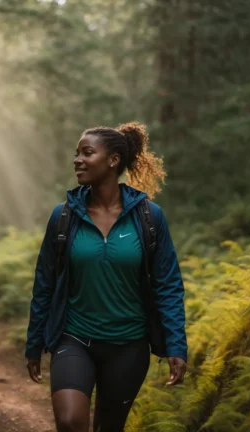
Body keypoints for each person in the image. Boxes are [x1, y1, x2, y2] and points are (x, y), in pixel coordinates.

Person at [24, 122, 188, 432]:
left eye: (87, 153)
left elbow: (168, 285)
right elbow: (44, 283)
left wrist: (176, 346)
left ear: (113, 160)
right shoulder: (64, 216)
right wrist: (34, 343)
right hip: (73, 339)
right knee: (71, 421)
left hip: (128, 346)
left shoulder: (149, 218)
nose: (77, 160)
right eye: (77, 154)